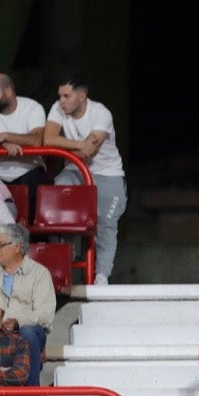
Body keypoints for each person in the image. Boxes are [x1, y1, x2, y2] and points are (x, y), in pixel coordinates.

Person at [42, 73, 128, 283]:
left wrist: (76, 147)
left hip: (108, 174)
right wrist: (79, 145)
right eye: (60, 96)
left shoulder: (101, 114)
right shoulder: (58, 108)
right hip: (75, 170)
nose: (61, 101)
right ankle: (66, 257)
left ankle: (101, 275)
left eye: (66, 96)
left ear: (81, 96)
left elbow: (88, 151)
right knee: (59, 192)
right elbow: (48, 138)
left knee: (106, 224)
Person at [0, 223, 55, 385]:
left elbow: (45, 314)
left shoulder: (40, 273)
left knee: (28, 333)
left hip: (26, 328)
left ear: (17, 247)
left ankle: (30, 395)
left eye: (0, 244)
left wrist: (17, 322)